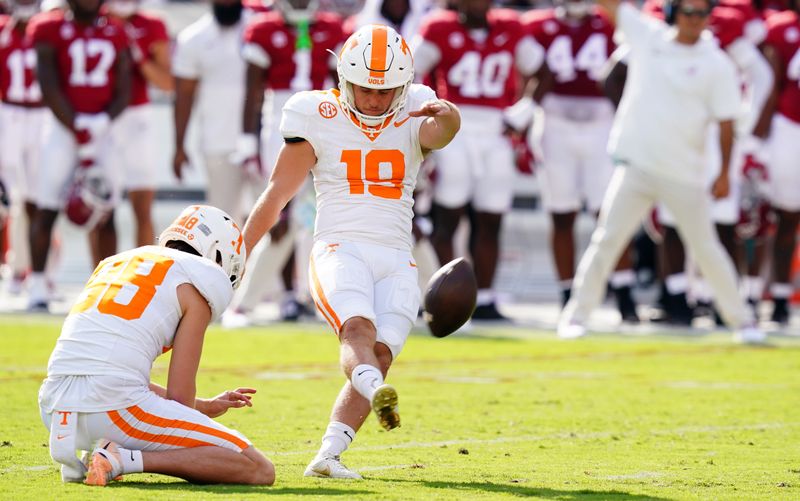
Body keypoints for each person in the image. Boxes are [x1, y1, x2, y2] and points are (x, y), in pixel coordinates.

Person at [242, 24, 460, 478]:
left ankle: (328, 455)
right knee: (356, 329)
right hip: (339, 247)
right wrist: (242, 248)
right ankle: (377, 391)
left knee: (380, 353)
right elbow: (279, 192)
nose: (376, 101)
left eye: (386, 91)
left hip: (398, 256)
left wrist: (452, 118)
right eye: (365, 89)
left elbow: (439, 135)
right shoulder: (315, 112)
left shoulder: (416, 108)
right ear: (344, 79)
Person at [557, 0, 766, 344]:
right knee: (607, 239)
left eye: (701, 14)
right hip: (637, 166)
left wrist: (725, 173)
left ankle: (742, 321)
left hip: (685, 173)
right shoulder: (648, 35)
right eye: (688, 12)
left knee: (706, 248)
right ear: (672, 14)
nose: (695, 20)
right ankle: (576, 315)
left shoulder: (717, 64)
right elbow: (610, 6)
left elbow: (727, 124)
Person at [38, 205, 274, 486]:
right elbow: (179, 400)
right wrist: (193, 412)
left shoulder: (117, 263)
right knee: (257, 468)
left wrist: (205, 407)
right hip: (112, 407)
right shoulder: (198, 281)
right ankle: (121, 459)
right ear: (219, 255)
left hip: (54, 408)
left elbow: (102, 368)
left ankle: (107, 451)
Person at [413, 0, 541, 320]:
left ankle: (483, 298)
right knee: (448, 216)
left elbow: (543, 70)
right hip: (454, 126)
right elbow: (409, 72)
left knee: (491, 218)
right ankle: (445, 297)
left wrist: (522, 110)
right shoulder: (438, 27)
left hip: (496, 129)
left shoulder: (511, 26)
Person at [223, 0, 344, 326]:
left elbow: (345, 86)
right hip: (282, 123)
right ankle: (244, 302)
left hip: (325, 120)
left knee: (316, 218)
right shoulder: (264, 29)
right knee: (279, 220)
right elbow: (254, 89)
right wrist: (248, 141)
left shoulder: (332, 28)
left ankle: (309, 296)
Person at [522, 0, 640, 322]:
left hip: (602, 124)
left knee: (611, 212)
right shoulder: (537, 24)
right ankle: (566, 293)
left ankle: (624, 292)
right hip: (555, 123)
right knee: (562, 214)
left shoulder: (611, 21)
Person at [27, 0, 132, 311]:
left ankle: (106, 287)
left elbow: (124, 85)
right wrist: (74, 123)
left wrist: (103, 120)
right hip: (62, 129)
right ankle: (37, 286)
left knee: (107, 210)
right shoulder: (48, 27)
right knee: (46, 206)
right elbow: (48, 82)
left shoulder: (116, 29)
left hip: (103, 129)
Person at [172, 0, 258, 225]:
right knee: (223, 223)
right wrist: (179, 146)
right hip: (218, 143)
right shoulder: (193, 38)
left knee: (274, 221)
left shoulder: (260, 27)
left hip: (265, 142)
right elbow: (183, 96)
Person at [105, 0, 173, 247]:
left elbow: (167, 82)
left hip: (136, 117)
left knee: (142, 206)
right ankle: (101, 276)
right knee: (101, 208)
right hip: (102, 118)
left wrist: (138, 56)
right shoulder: (94, 18)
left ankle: (144, 273)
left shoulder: (151, 23)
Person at [0, 0, 46, 294]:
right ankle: (15, 267)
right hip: (7, 113)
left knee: (38, 200)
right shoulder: (3, 29)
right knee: (6, 199)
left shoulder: (50, 27)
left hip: (42, 116)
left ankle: (31, 270)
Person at [759, 2, 800, 324]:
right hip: (790, 128)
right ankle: (781, 295)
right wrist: (757, 139)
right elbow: (770, 86)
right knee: (785, 216)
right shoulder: (781, 27)